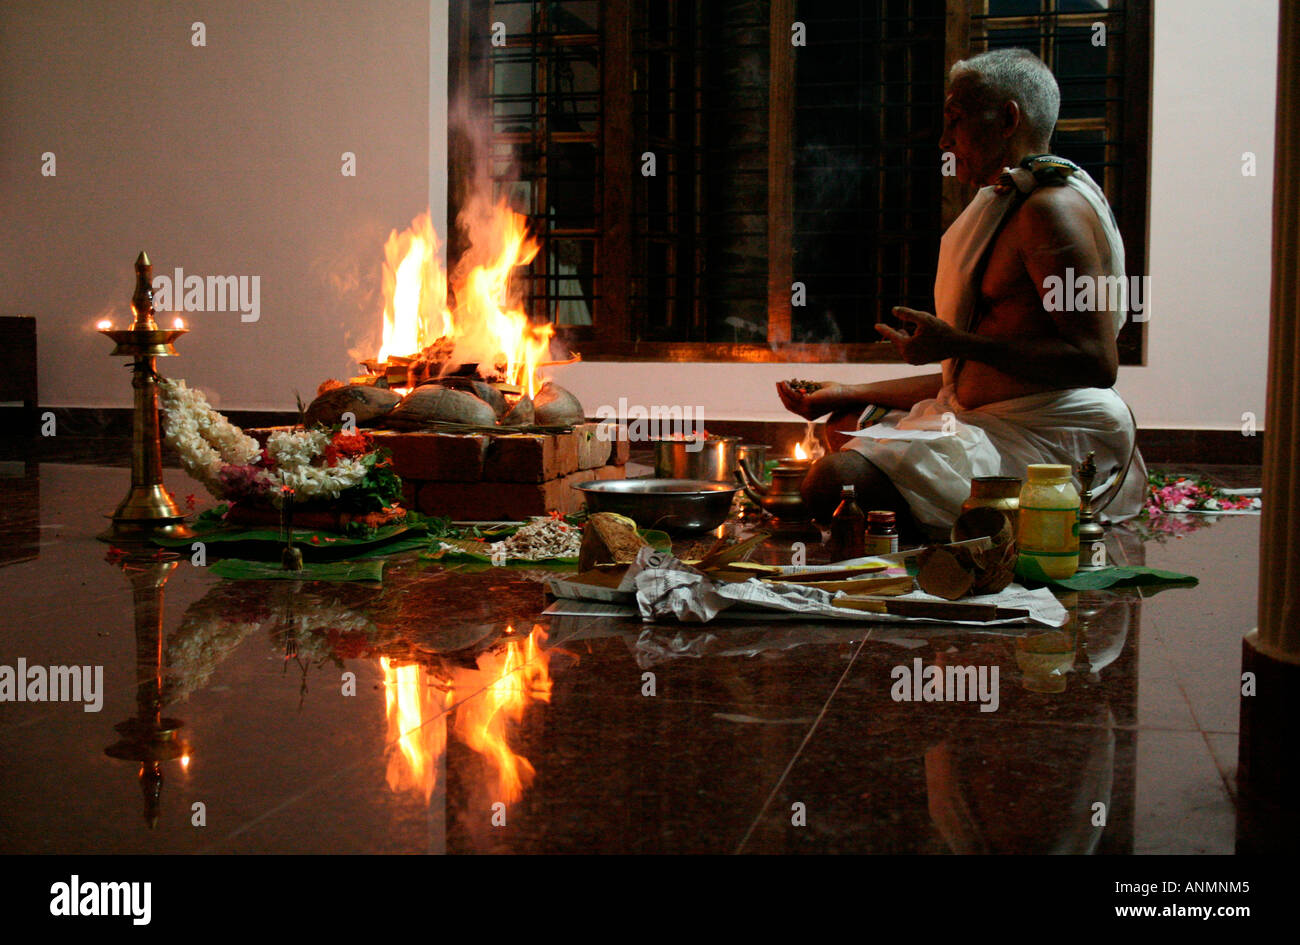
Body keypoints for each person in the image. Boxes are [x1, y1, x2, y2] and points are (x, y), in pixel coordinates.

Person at [777, 48, 1146, 536]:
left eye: (956, 120)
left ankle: (974, 528)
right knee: (843, 420)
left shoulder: (1050, 211)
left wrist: (958, 343)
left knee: (835, 481)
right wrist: (846, 391)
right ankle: (950, 525)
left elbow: (1096, 363)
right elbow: (971, 379)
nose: (945, 140)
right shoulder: (1004, 205)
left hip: (1052, 435)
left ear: (1009, 118)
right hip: (986, 417)